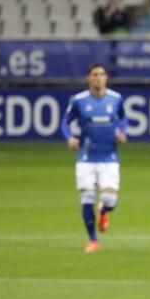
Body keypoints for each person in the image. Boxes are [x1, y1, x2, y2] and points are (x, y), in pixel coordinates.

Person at [60, 62, 128, 254]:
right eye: (94, 74)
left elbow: (123, 117)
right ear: (89, 78)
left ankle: (104, 211)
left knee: (109, 199)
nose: (98, 77)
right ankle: (93, 240)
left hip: (109, 157)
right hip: (86, 157)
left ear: (106, 77)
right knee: (86, 198)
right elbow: (65, 122)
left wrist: (122, 132)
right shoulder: (79, 100)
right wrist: (70, 138)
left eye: (102, 74)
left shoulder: (116, 99)